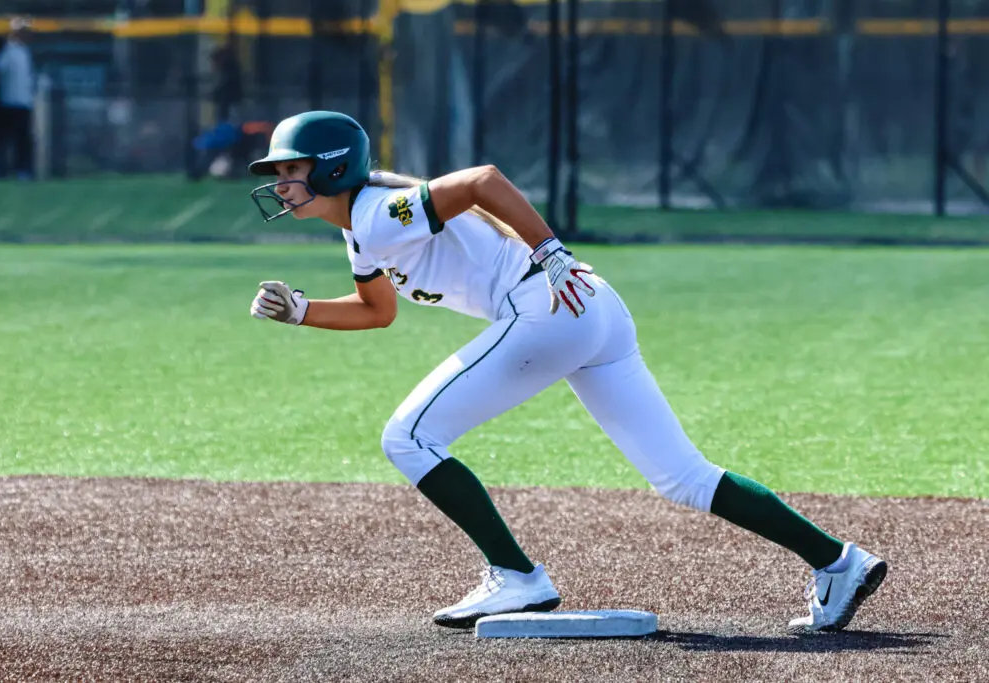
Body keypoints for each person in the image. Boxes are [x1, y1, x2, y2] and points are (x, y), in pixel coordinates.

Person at [245, 110, 888, 633]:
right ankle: (839, 562)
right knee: (684, 477)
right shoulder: (362, 227)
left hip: (547, 305)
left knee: (406, 438)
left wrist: (550, 249)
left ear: (332, 166)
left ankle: (517, 579)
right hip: (591, 307)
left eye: (291, 168)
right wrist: (302, 311)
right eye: (277, 171)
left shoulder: (378, 214)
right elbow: (376, 311)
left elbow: (481, 181)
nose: (280, 182)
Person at [0, 16, 36, 180]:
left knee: (22, 139)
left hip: (23, 101)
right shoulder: (8, 51)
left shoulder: (24, 51)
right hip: (10, 102)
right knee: (7, 138)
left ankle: (22, 170)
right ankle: (0, 169)